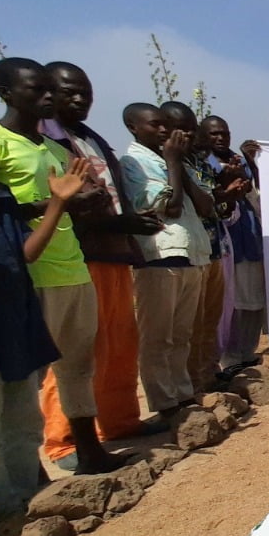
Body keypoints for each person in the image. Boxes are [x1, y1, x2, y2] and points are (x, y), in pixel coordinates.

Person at [0, 58, 123, 474]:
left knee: (79, 366)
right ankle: (28, 470)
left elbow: (70, 205)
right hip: (31, 272)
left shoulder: (55, 148)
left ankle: (89, 449)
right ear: (6, 93)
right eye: (34, 90)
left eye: (48, 90)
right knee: (27, 376)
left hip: (72, 267)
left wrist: (85, 203)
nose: (46, 98)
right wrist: (55, 203)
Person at [0, 100, 88, 514]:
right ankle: (1, 514)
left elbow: (25, 252)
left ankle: (28, 504)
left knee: (24, 422)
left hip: (14, 320)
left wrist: (57, 203)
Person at [39, 61, 165, 470]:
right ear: (47, 94)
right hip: (76, 255)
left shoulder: (90, 138)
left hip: (112, 251)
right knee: (77, 351)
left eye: (86, 92)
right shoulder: (44, 141)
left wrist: (127, 228)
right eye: (69, 92)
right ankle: (65, 441)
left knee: (118, 341)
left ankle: (119, 420)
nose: (80, 100)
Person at [119, 102, 213, 419]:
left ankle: (183, 394)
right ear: (133, 127)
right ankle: (164, 402)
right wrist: (173, 161)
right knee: (159, 336)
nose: (162, 131)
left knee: (182, 334)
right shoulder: (133, 162)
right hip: (160, 256)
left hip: (191, 253)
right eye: (154, 125)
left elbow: (205, 205)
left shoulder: (175, 162)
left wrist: (177, 165)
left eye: (164, 124)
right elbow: (169, 207)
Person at [160, 102, 226, 390]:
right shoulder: (166, 163)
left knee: (209, 320)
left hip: (213, 248)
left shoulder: (201, 161)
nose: (186, 135)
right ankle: (191, 384)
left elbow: (213, 202)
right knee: (188, 326)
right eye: (180, 129)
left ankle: (208, 374)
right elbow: (202, 205)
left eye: (190, 129)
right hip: (189, 254)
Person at [201, 115, 264, 372]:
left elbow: (259, 193)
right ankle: (228, 358)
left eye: (224, 133)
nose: (220, 138)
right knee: (231, 303)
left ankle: (247, 351)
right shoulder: (204, 163)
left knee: (253, 298)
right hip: (225, 240)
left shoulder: (239, 161)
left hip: (249, 235)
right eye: (214, 133)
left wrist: (249, 163)